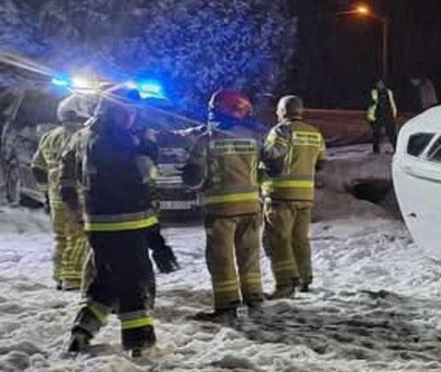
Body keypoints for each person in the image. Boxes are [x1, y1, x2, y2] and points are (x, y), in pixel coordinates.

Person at [62, 84, 178, 356]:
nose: (132, 117)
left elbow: (67, 178)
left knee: (107, 281)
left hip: (98, 224)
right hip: (127, 224)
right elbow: (144, 177)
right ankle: (140, 343)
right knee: (135, 284)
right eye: (127, 111)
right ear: (112, 110)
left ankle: (83, 330)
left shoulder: (82, 135)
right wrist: (149, 148)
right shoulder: (120, 139)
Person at [182, 89, 266, 322]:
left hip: (221, 211)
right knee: (249, 255)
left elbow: (194, 178)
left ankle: (227, 306)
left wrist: (187, 175)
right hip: (251, 206)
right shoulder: (253, 137)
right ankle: (254, 298)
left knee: (221, 258)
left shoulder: (207, 139)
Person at [261, 95, 326, 298]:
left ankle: (285, 284)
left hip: (280, 195)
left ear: (282, 112)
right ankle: (304, 279)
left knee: (277, 240)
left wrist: (258, 151)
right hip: (305, 195)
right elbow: (322, 162)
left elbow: (273, 155)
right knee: (300, 239)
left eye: (278, 111)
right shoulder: (314, 133)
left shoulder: (280, 130)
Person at [32, 95, 92, 291]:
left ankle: (59, 276)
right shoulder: (83, 136)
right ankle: (73, 279)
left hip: (56, 197)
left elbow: (37, 167)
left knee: (61, 237)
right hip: (76, 197)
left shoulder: (49, 137)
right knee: (79, 236)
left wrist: (46, 194)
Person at [366, 78, 397, 154]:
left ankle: (396, 149)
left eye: (381, 83)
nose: (380, 85)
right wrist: (370, 117)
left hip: (388, 115)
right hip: (378, 115)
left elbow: (392, 104)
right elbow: (370, 106)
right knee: (376, 134)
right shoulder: (374, 92)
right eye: (378, 83)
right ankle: (376, 150)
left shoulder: (389, 92)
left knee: (392, 134)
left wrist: (393, 115)